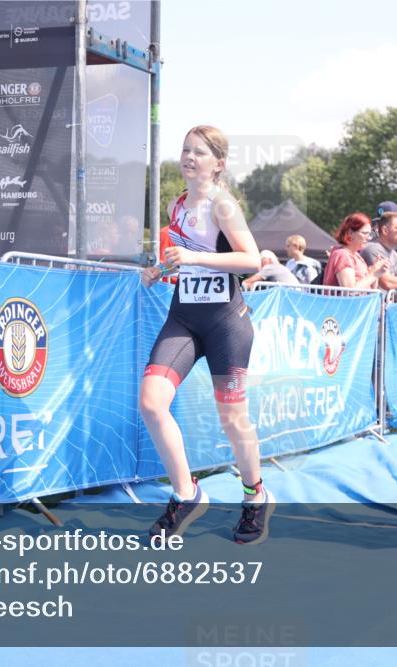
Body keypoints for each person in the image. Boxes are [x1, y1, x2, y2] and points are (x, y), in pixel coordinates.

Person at [138, 126, 271, 545]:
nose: (189, 157)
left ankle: (256, 494)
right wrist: (162, 270)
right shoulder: (177, 204)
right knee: (151, 402)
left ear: (219, 163)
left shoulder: (223, 204)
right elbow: (183, 259)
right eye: (185, 150)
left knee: (233, 418)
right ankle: (187, 492)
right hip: (184, 317)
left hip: (224, 322)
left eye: (199, 152)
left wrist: (194, 256)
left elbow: (251, 258)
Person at [322, 212, 389, 289]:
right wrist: (374, 274)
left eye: (370, 234)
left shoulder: (357, 256)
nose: (369, 238)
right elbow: (349, 291)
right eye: (365, 233)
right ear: (350, 233)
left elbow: (371, 288)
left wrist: (374, 270)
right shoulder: (343, 255)